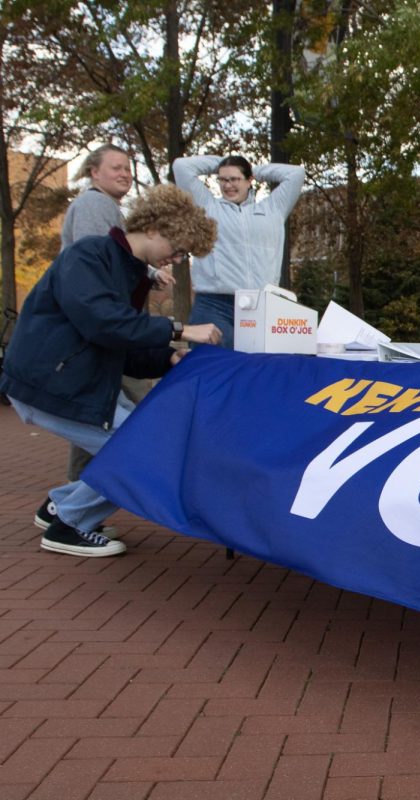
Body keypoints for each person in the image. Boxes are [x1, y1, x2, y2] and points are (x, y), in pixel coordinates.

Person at [0, 184, 221, 558]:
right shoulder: (90, 254)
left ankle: (59, 504)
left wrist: (166, 358)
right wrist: (179, 329)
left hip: (74, 383)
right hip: (48, 384)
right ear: (154, 228)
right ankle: (68, 524)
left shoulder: (128, 273)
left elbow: (118, 341)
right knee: (142, 453)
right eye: (178, 248)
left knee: (143, 444)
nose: (178, 259)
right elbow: (102, 323)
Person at [54, 145, 177, 532]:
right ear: (94, 173)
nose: (125, 174)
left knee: (104, 419)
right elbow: (99, 267)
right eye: (116, 168)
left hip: (113, 335)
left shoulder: (109, 209)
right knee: (139, 429)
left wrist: (149, 276)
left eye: (128, 168)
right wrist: (150, 278)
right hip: (109, 336)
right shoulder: (95, 207)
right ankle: (73, 512)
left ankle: (68, 505)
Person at [173, 154, 304, 348]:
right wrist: (223, 163)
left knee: (256, 373)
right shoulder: (207, 206)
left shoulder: (273, 208)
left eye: (234, 179)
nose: (228, 185)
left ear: (249, 180)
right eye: (223, 179)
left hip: (261, 307)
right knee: (212, 371)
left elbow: (296, 173)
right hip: (214, 305)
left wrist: (253, 169)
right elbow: (181, 166)